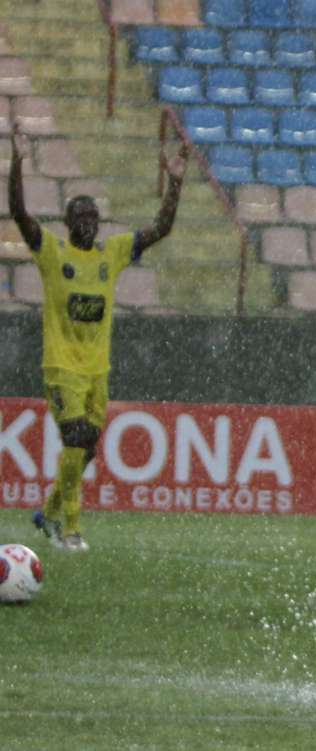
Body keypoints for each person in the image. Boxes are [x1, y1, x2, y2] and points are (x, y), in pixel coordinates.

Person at [8, 123, 190, 552]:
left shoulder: (113, 254)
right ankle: (69, 528)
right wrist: (17, 160)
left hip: (97, 372)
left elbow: (161, 229)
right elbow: (19, 213)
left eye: (93, 216)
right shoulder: (53, 253)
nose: (88, 222)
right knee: (76, 438)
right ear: (68, 222)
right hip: (61, 369)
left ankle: (49, 514)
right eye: (80, 216)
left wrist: (176, 182)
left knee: (86, 448)